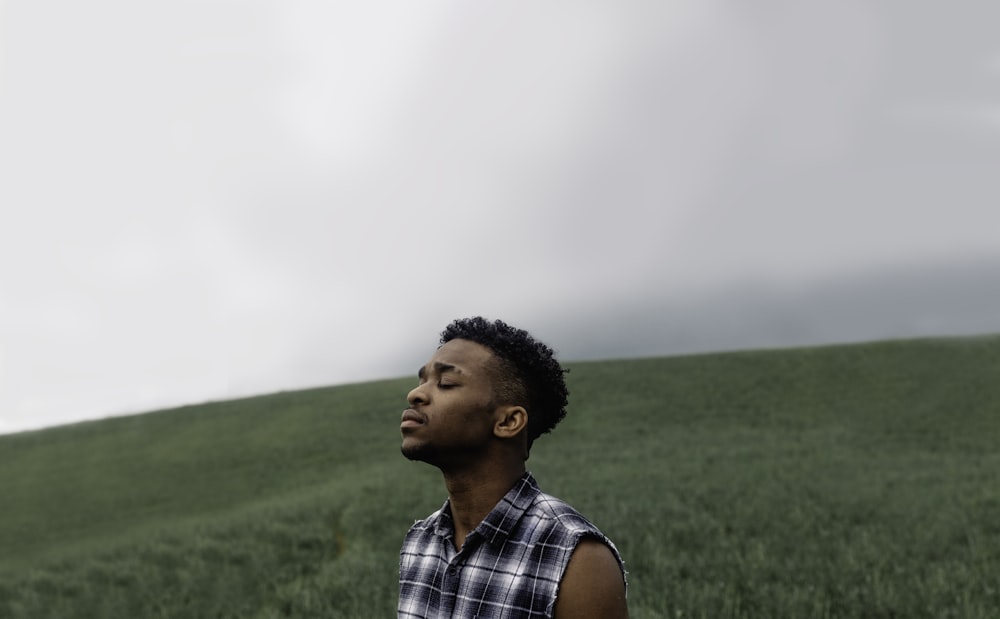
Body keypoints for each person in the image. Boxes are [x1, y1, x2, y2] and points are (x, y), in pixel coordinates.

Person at [398, 317, 628, 618]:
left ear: (508, 422)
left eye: (446, 383)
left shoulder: (576, 558)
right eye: (422, 380)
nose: (416, 394)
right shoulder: (419, 542)